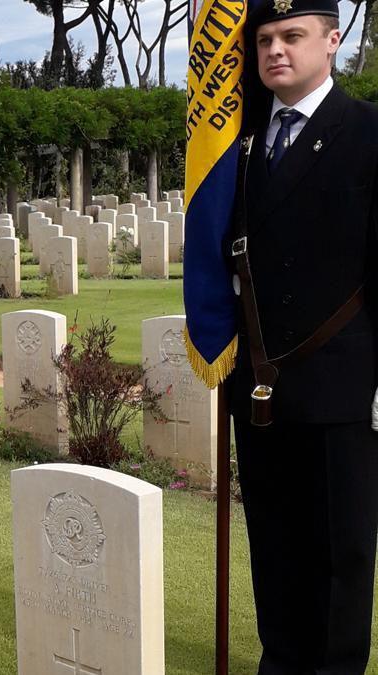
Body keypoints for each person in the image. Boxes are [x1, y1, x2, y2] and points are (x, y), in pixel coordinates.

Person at [229, 2, 378, 672]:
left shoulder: (368, 132)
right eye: (264, 39)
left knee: (339, 563)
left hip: (342, 385)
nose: (275, 51)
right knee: (276, 552)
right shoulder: (241, 142)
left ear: (332, 40)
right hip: (261, 390)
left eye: (292, 36)